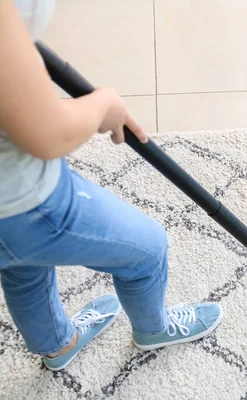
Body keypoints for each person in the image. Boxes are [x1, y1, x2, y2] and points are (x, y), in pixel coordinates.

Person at [0, 0, 223, 371]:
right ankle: (154, 329)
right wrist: (103, 104)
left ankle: (58, 344)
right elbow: (48, 134)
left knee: (21, 266)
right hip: (24, 202)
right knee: (148, 249)